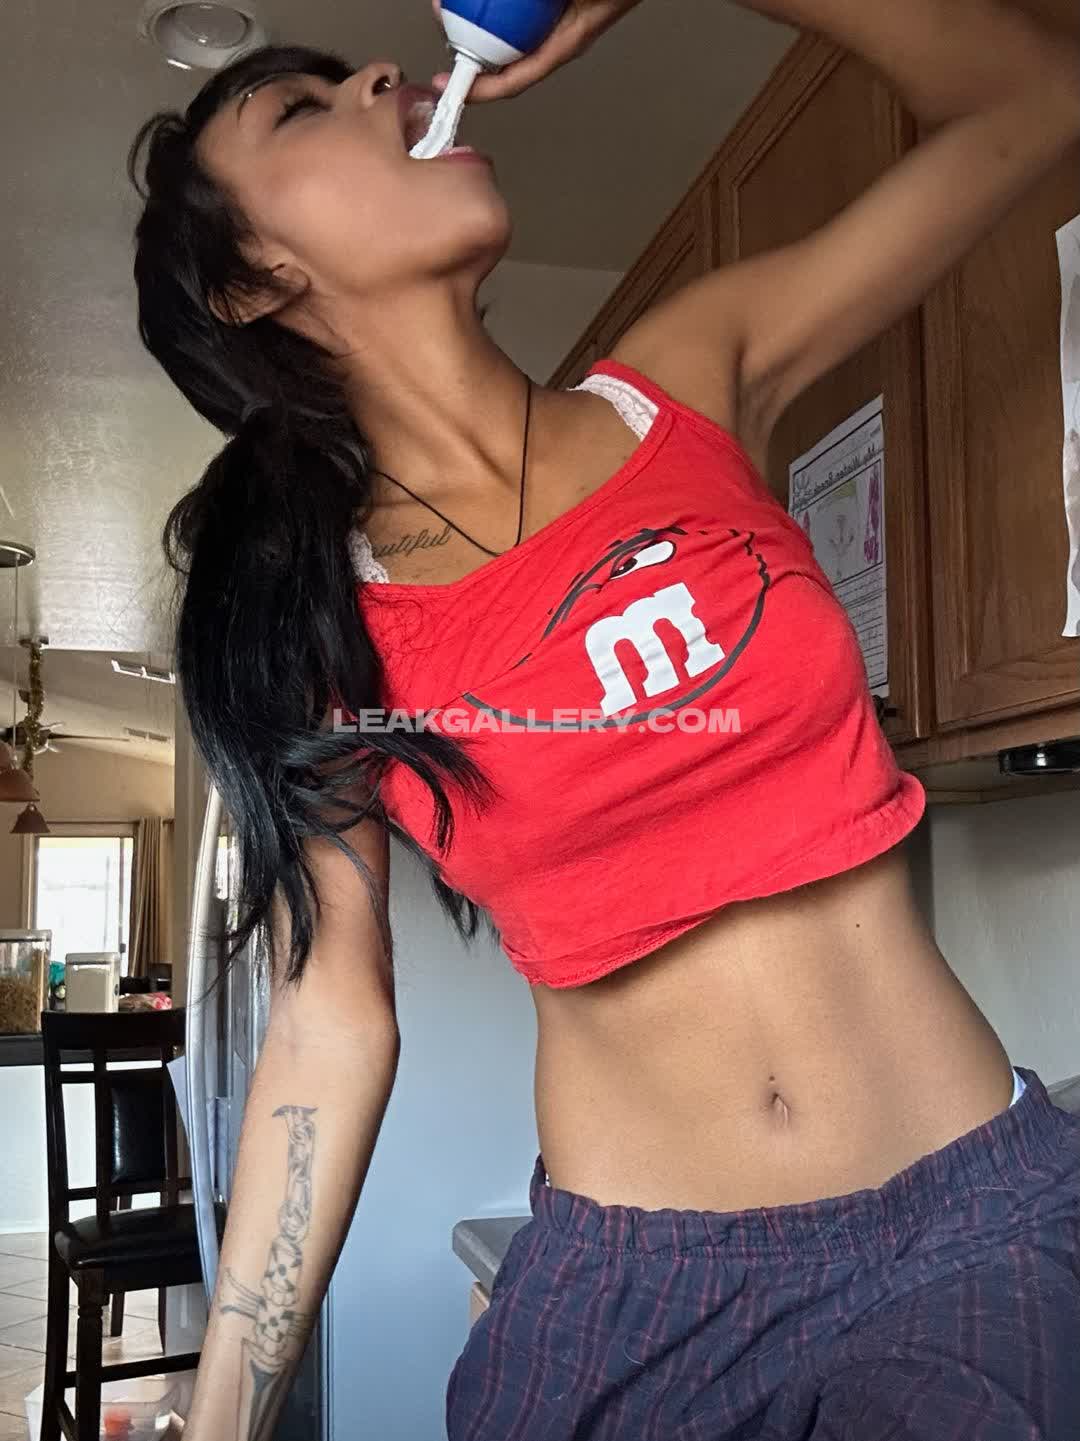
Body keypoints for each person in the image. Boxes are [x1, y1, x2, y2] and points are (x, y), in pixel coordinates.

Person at [126, 1, 1080, 1437]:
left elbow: (1037, 94)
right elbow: (329, 1019)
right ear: (253, 281)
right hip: (635, 1297)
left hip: (969, 1235)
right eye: (301, 109)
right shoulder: (317, 611)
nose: (381, 76)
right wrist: (218, 1423)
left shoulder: (681, 385)